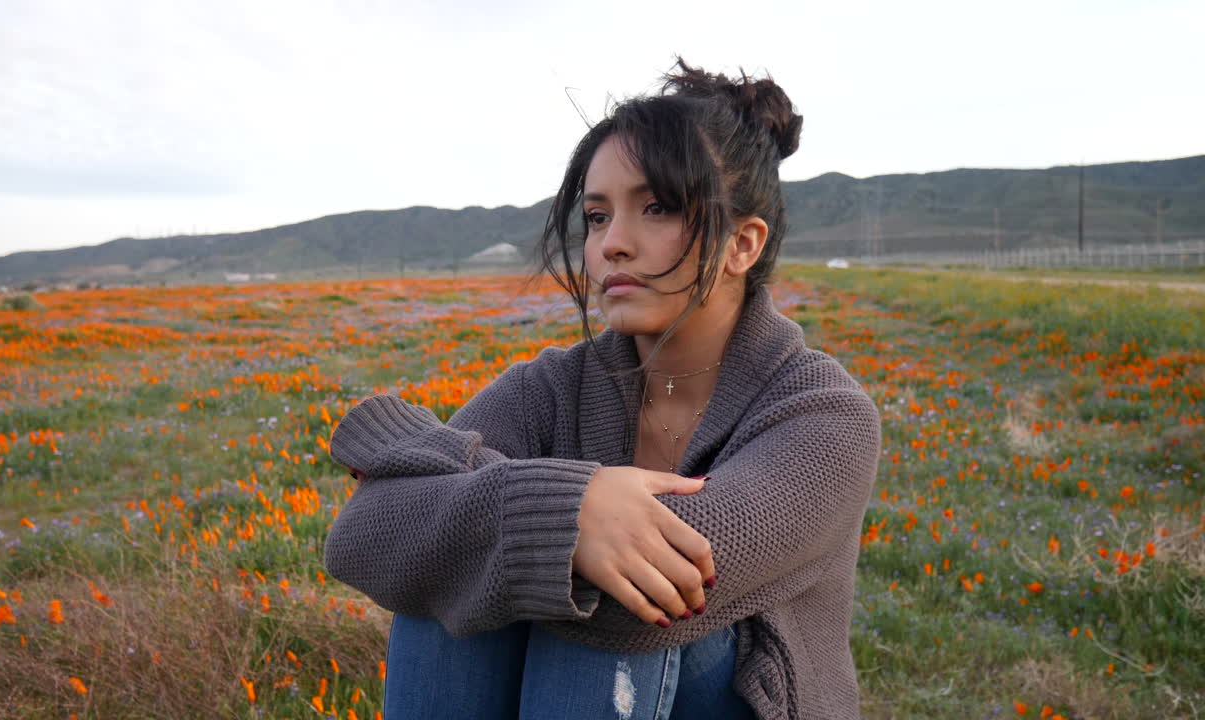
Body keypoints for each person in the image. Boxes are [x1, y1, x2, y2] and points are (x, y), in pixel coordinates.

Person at [324, 57, 881, 720]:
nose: (612, 244)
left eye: (657, 208)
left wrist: (445, 478)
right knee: (447, 600)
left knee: (585, 603)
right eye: (595, 216)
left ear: (743, 244)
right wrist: (573, 511)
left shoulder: (824, 416)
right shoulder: (555, 386)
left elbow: (652, 602)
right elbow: (360, 532)